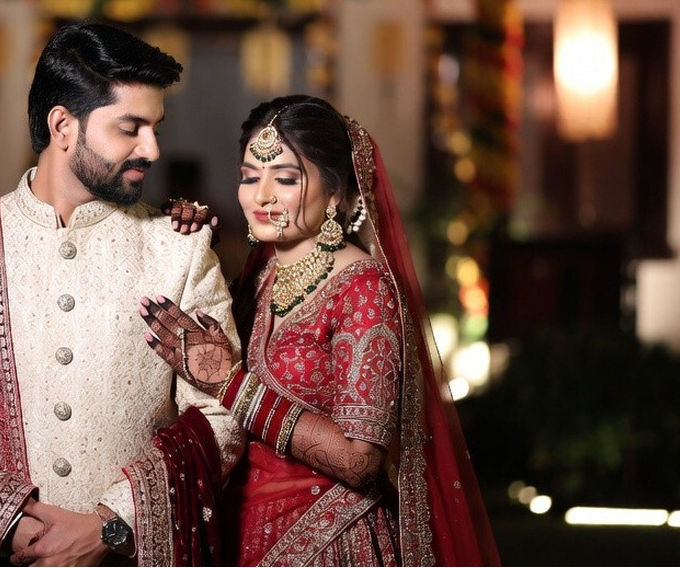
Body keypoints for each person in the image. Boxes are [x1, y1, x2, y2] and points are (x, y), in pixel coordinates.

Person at [0, 21, 243, 567]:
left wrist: (111, 525)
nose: (153, 149)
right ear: (63, 125)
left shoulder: (178, 249)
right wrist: (8, 521)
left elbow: (220, 413)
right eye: (131, 128)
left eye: (156, 127)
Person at [142, 95, 500, 566]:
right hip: (239, 532)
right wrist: (181, 245)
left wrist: (232, 385)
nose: (260, 196)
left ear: (335, 194)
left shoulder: (363, 288)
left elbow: (359, 458)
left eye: (285, 178)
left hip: (329, 540)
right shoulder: (258, 276)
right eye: (249, 176)